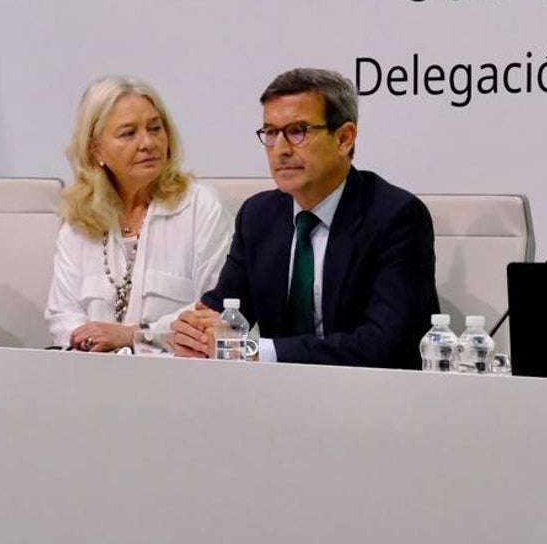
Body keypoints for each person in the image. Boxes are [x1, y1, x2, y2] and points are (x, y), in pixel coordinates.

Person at [171, 68, 437, 368]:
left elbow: (387, 344)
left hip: (371, 401)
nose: (281, 150)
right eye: (271, 133)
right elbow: (224, 310)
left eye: (298, 131)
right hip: (272, 400)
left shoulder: (395, 217)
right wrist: (194, 331)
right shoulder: (258, 217)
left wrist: (261, 351)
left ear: (344, 138)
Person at [44, 77, 233, 351]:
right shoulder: (79, 220)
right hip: (93, 374)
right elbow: (62, 316)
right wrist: (91, 342)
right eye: (128, 133)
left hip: (177, 376)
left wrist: (133, 336)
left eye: (155, 128)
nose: (147, 142)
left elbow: (213, 310)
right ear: (95, 149)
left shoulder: (200, 207)